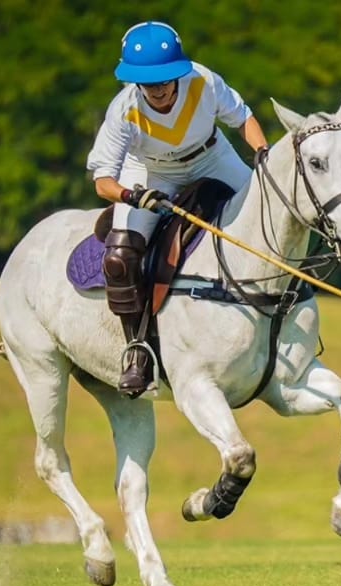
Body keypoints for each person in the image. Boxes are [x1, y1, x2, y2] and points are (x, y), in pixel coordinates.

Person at [86, 21, 270, 396]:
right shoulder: (123, 110)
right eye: (148, 83)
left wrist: (263, 156)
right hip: (151, 172)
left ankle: (291, 303)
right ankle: (136, 350)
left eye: (165, 80)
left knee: (269, 216)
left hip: (212, 157)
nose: (158, 90)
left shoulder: (204, 82)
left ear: (178, 73)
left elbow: (243, 118)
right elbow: (102, 180)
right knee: (120, 257)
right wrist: (133, 197)